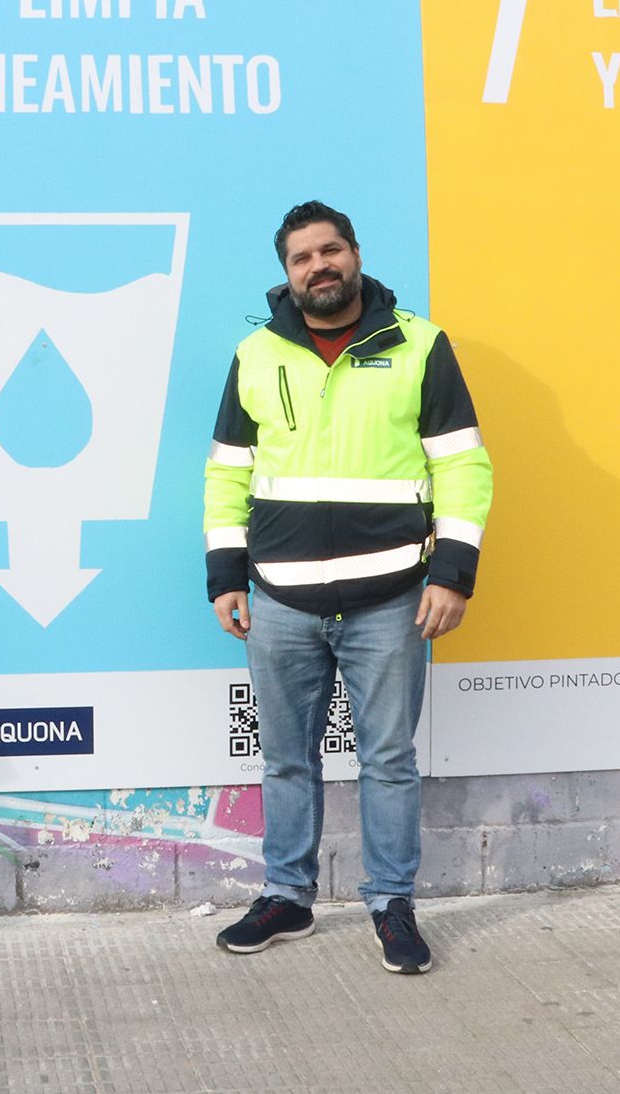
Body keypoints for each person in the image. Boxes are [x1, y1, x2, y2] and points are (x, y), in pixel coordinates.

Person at [204, 202, 492, 974]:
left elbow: (463, 465)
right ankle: (287, 897)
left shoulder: (419, 345)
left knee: (389, 758)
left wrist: (453, 573)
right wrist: (225, 575)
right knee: (285, 759)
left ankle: (392, 903)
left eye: (330, 250)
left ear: (356, 254)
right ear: (287, 271)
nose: (318, 265)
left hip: (390, 598)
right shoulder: (257, 354)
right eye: (302, 256)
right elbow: (228, 472)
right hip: (281, 602)